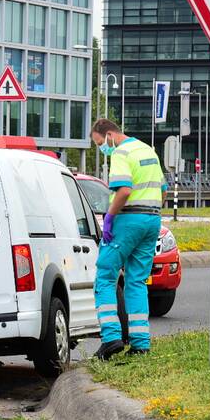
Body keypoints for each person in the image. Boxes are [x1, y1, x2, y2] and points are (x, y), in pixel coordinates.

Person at [90, 119, 167, 360]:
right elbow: (163, 190)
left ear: (110, 134)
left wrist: (111, 217)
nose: (103, 148)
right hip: (152, 220)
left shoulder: (122, 152)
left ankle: (111, 337)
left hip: (128, 220)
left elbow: (123, 189)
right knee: (137, 281)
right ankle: (140, 344)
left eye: (101, 143)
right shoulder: (147, 150)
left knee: (105, 275)